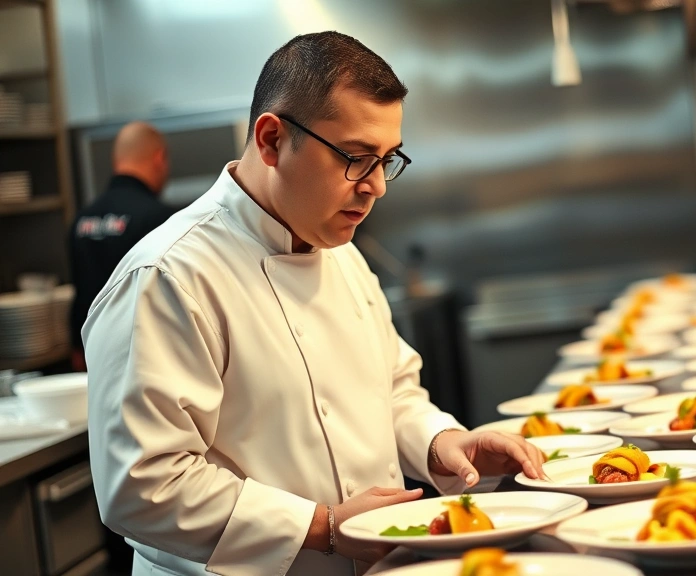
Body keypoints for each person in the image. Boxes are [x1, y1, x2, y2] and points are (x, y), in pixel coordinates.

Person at [83, 32, 546, 576]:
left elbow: (391, 390)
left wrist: (443, 442)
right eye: (355, 158)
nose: (377, 187)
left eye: (387, 160)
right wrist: (321, 527)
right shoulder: (168, 276)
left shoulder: (339, 250)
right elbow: (142, 484)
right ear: (272, 140)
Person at [68, 122, 174, 372]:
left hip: (91, 355)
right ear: (159, 158)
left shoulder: (82, 219)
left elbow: (81, 295)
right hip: (143, 360)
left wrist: (77, 350)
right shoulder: (160, 219)